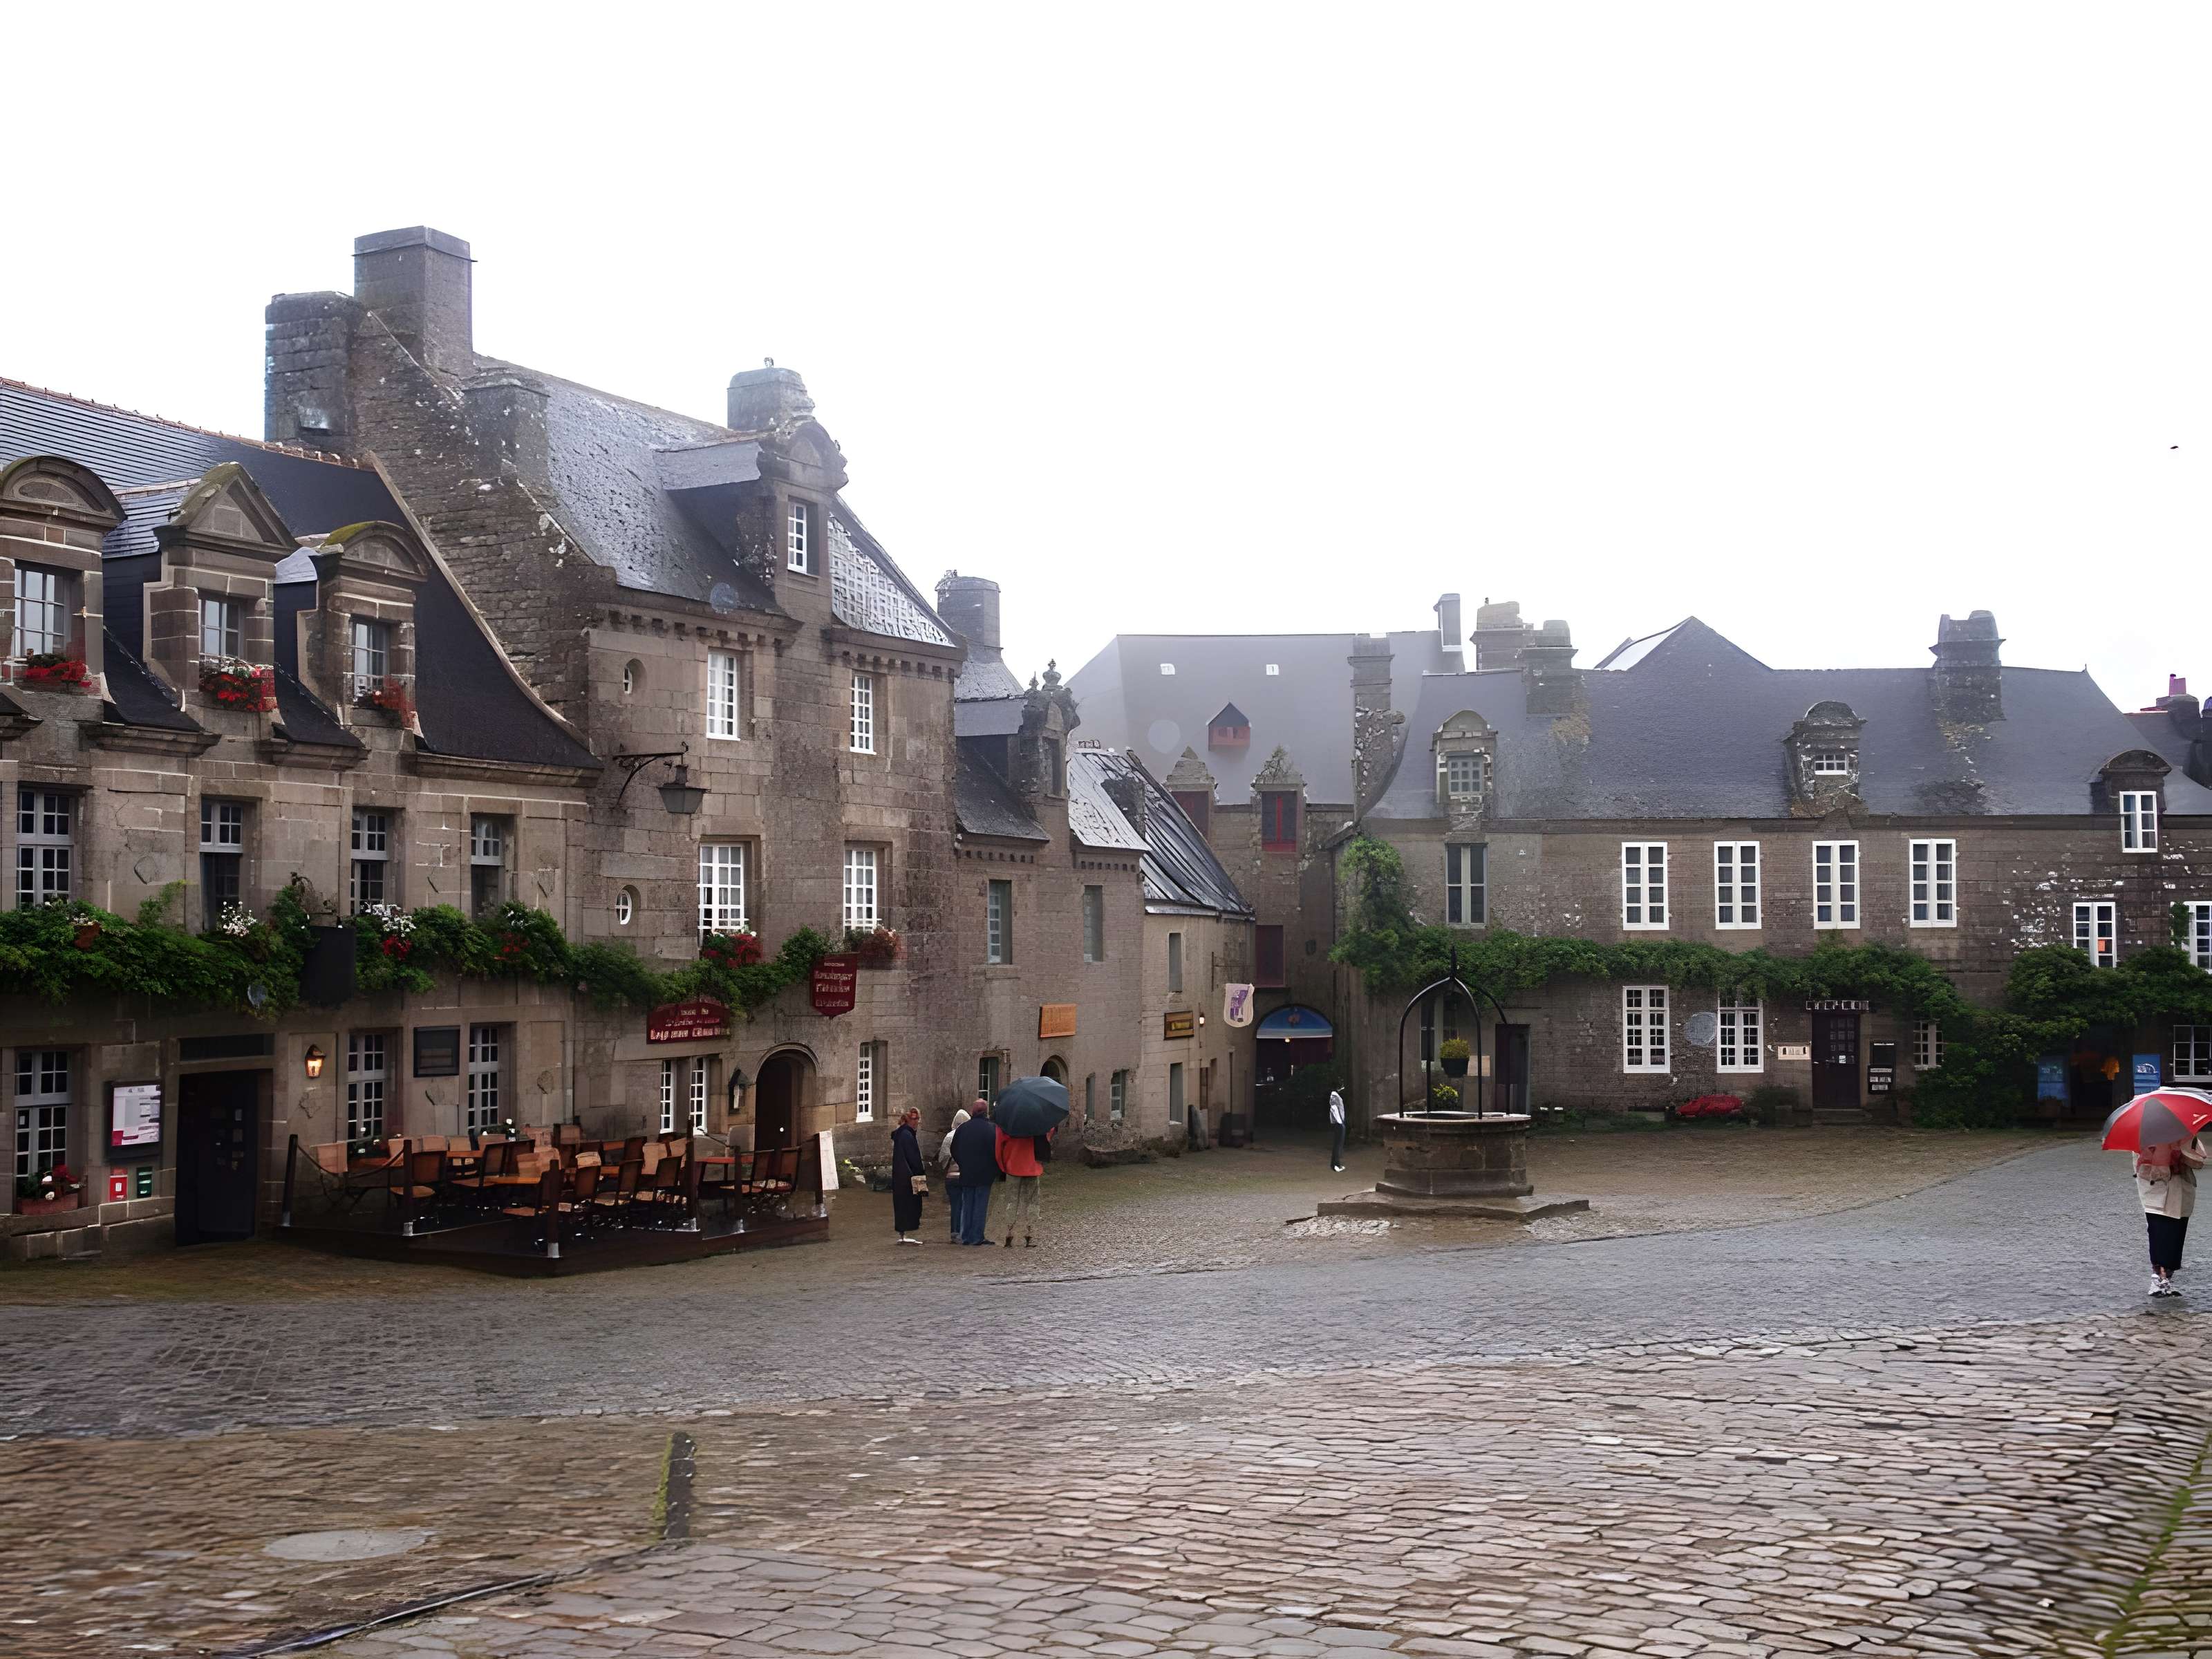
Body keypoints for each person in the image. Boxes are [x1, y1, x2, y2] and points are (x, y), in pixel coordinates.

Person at [2138, 1132, 2206, 1297]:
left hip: (2181, 1191)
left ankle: (2167, 1279)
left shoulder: (2186, 1133)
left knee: (2176, 1237)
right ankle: (2157, 1279)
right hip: (2157, 1192)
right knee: (2160, 1234)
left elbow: (2199, 1159)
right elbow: (2143, 1165)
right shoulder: (2143, 1134)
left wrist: (2181, 1148)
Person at [949, 1099, 1001, 1246]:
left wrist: (963, 1164)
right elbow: (997, 1152)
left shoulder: (963, 1128)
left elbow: (954, 1149)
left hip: (967, 1172)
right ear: (986, 1112)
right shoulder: (992, 1129)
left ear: (973, 1111)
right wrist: (994, 1169)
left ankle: (966, 1236)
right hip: (985, 1174)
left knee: (967, 1205)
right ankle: (977, 1236)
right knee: (980, 1206)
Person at [997, 1122, 1047, 1248]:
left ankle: (1009, 1232)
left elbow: (999, 1145)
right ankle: (1030, 1233)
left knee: (1011, 1201)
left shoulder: (1007, 1123)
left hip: (1013, 1166)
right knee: (1032, 1201)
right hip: (1032, 1166)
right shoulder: (1037, 1123)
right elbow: (1047, 1136)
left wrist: (1002, 1166)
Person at [889, 1107, 926, 1246]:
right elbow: (914, 1159)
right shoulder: (906, 1135)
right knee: (910, 1206)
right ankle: (905, 1233)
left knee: (903, 1206)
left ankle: (903, 1233)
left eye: (918, 1119)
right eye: (915, 1119)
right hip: (910, 1178)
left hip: (902, 1177)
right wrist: (921, 1177)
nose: (917, 1122)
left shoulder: (903, 1134)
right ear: (909, 1120)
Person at [939, 1104, 972, 1242]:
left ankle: (955, 1232)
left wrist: (949, 1165)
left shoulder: (949, 1137)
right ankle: (965, 1232)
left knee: (956, 1206)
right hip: (966, 1176)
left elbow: (943, 1158)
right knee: (966, 1205)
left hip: (951, 1177)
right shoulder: (970, 1136)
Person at [1328, 1087, 1347, 1172]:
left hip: (1338, 1123)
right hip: (1339, 1123)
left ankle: (1334, 1164)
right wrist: (1340, 1122)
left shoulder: (1335, 1095)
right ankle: (1336, 1165)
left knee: (1337, 1145)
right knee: (1338, 1145)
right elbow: (1334, 1109)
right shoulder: (1334, 1095)